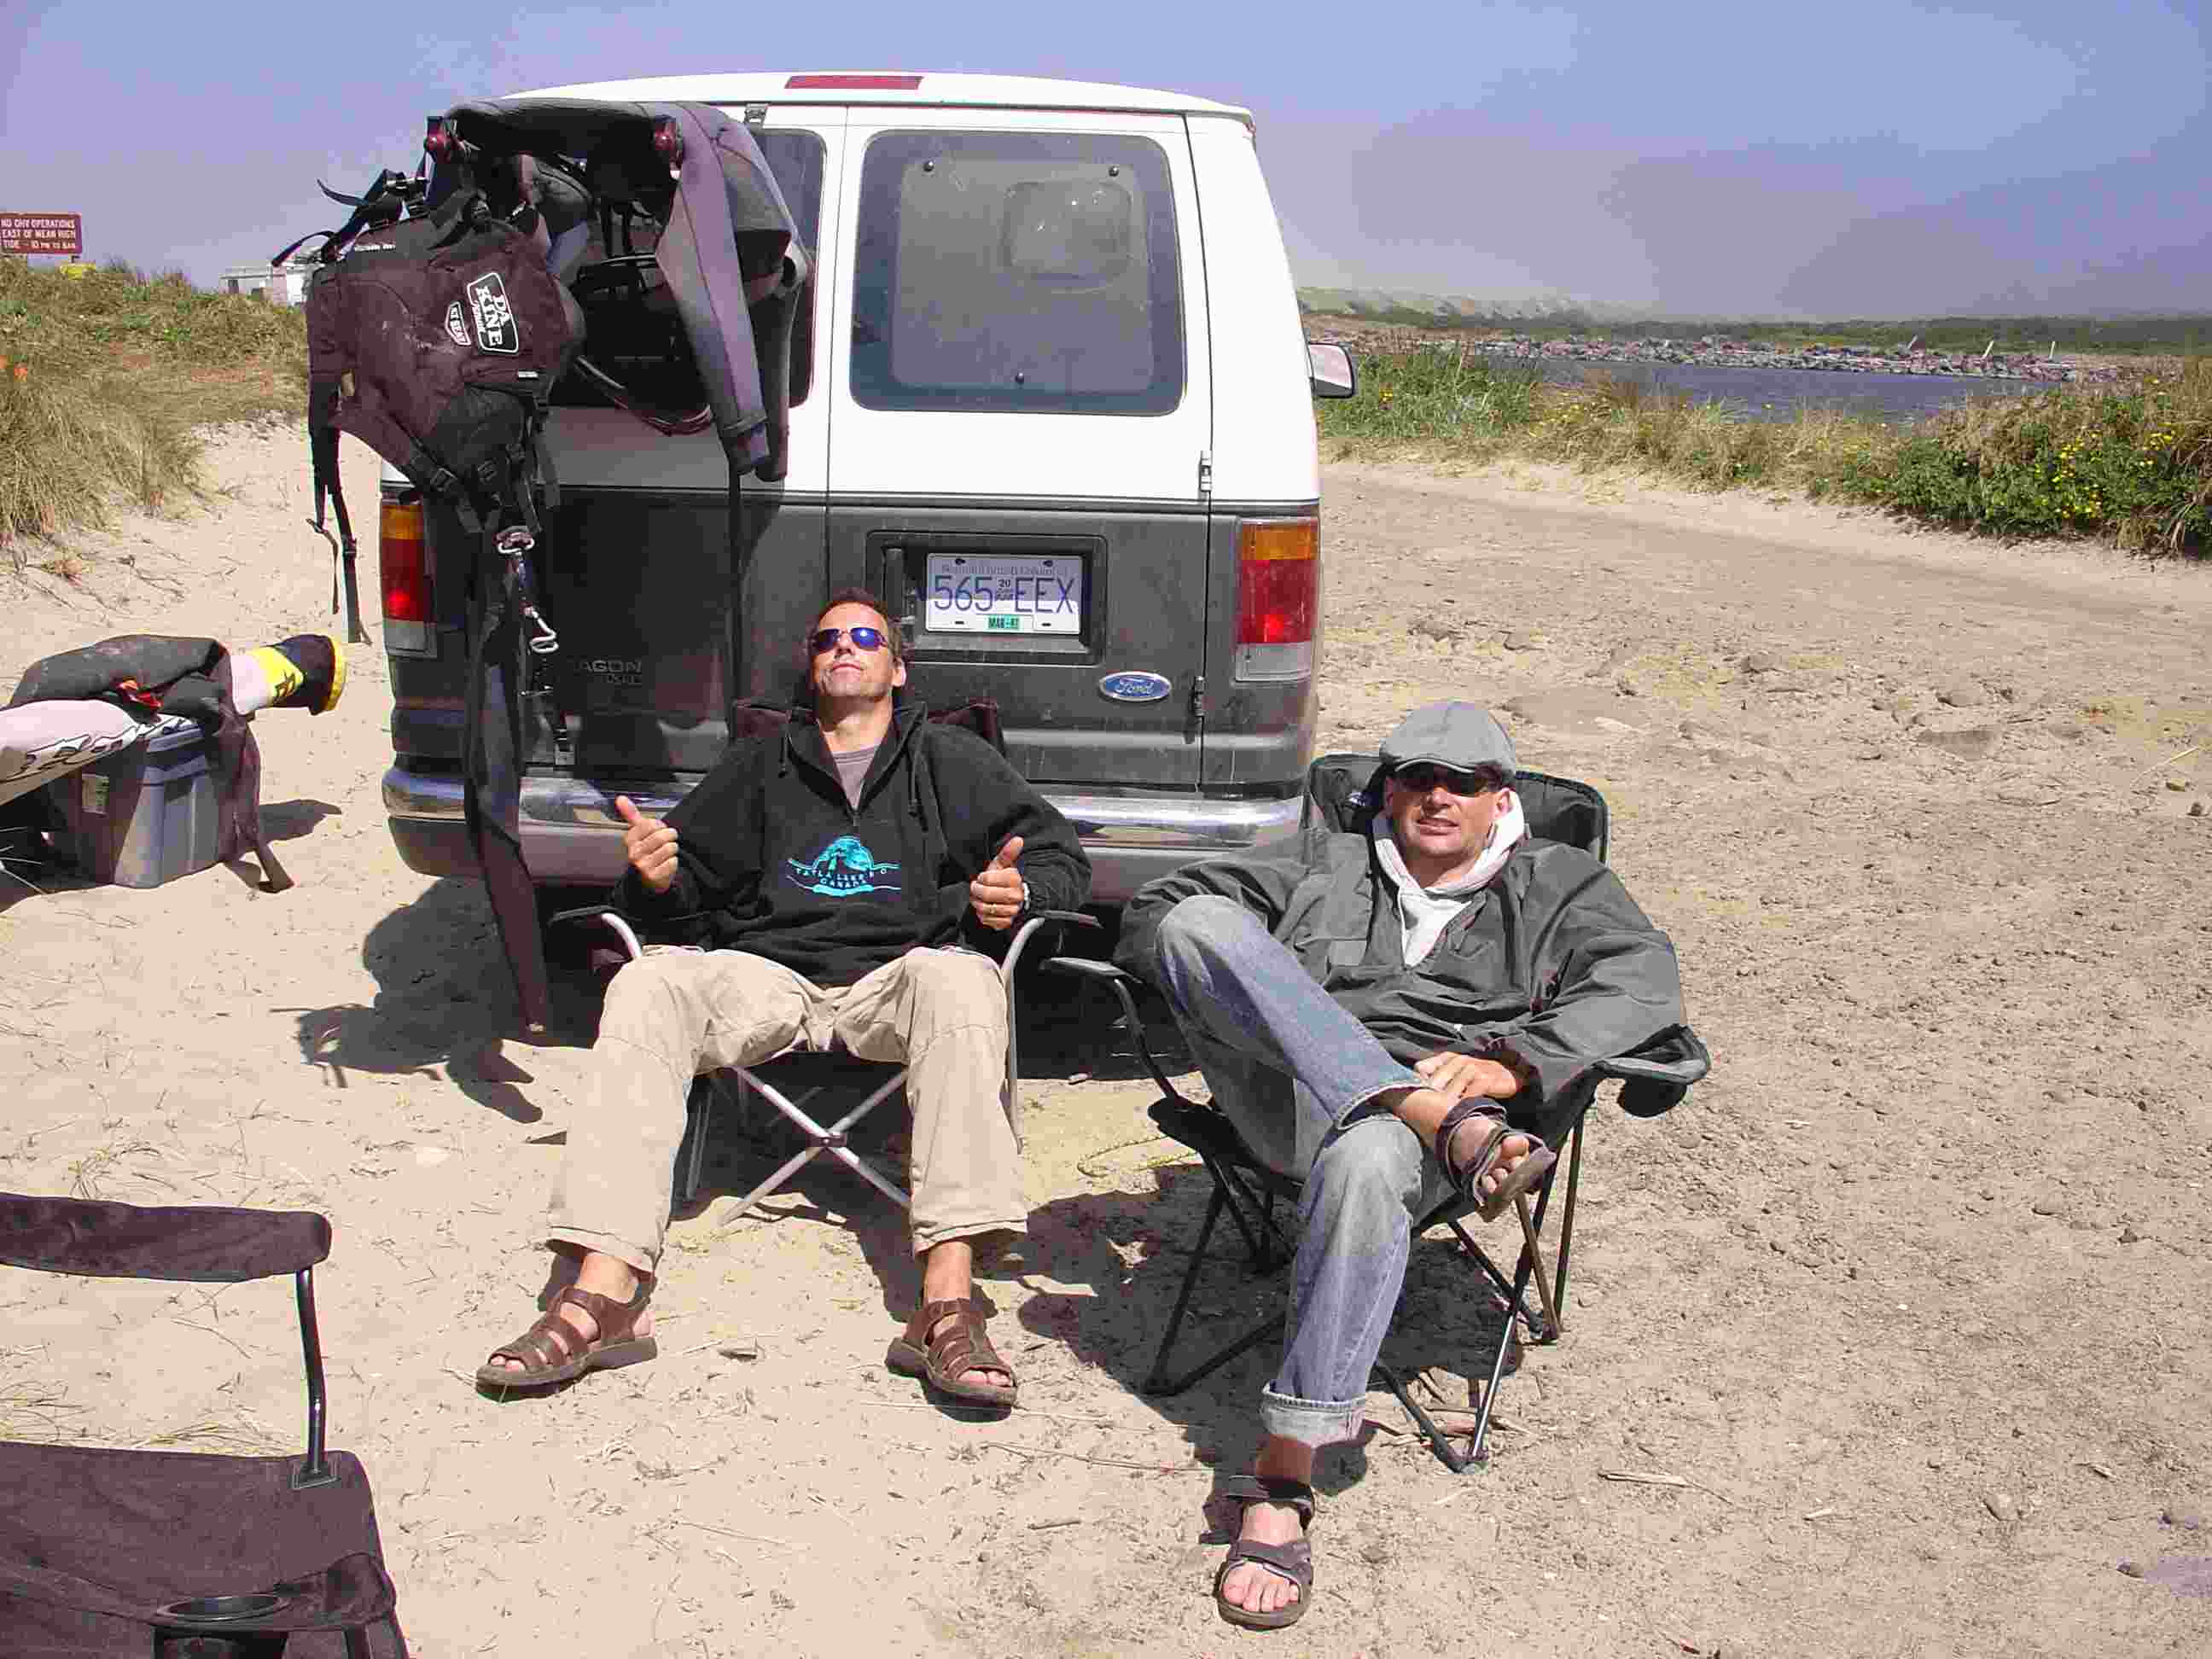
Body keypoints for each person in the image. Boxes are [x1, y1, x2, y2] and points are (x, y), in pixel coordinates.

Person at [1114, 701, 1685, 1629]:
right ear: (1388, 788)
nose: (1435, 795)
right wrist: (1404, 1090)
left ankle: (1283, 1480)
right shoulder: (1327, 860)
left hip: (1450, 1130)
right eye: (1415, 776)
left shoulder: (1563, 885)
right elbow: (1158, 918)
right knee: (1201, 926)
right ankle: (1419, 1109)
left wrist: (1514, 1061)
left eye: (1462, 782)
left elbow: (1643, 980)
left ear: (1501, 800)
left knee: (1376, 1151)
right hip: (1290, 1104)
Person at [479, 589, 1091, 1408]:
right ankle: (602, 1292)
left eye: (866, 636)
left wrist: (1018, 894)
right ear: (811, 665)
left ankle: (946, 1303)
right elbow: (686, 889)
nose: (846, 646)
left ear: (897, 667)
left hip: (898, 975)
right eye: (828, 638)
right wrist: (655, 877)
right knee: (651, 982)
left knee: (961, 978)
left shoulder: (951, 759)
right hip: (773, 977)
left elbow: (1059, 859)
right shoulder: (760, 766)